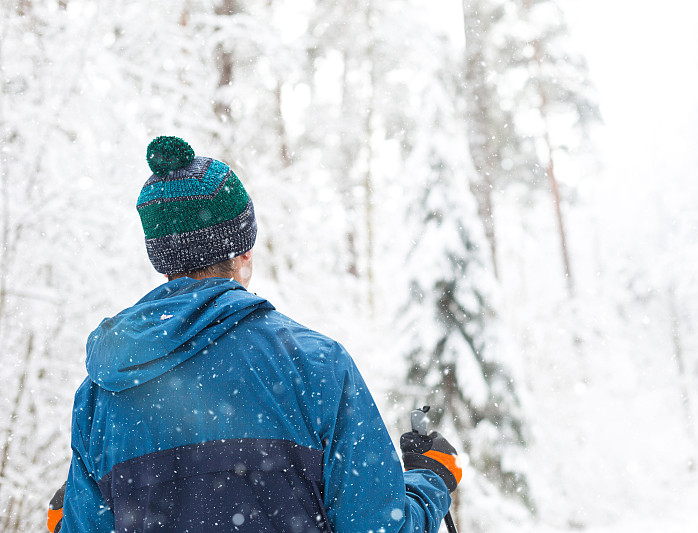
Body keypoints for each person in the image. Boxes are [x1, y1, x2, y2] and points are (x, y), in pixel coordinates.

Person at [50, 136, 461, 533]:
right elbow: (377, 528)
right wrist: (432, 480)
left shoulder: (101, 392)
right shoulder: (317, 366)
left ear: (161, 262)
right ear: (243, 250)